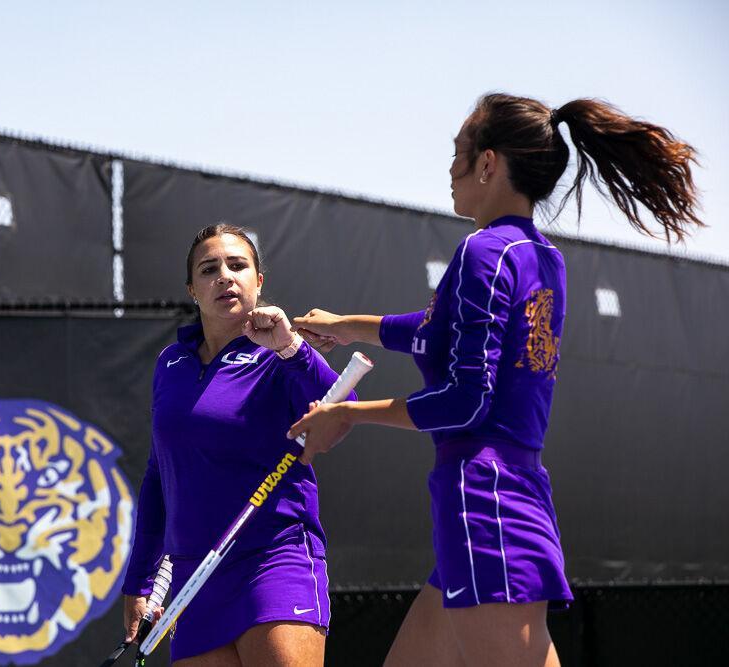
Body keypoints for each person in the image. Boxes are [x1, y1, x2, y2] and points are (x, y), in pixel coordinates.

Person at [287, 93, 702, 667]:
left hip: (486, 501)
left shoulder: (484, 252)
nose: (449, 168)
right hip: (502, 495)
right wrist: (347, 327)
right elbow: (438, 332)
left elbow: (464, 400)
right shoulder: (538, 255)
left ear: (486, 163)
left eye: (457, 152)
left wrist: (347, 414)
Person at [121, 223, 354, 666]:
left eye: (237, 265)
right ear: (193, 289)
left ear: (258, 281)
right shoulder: (170, 362)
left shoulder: (284, 350)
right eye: (209, 269)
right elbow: (159, 474)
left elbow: (344, 408)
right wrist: (140, 580)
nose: (224, 276)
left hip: (274, 562)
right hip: (194, 579)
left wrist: (292, 347)